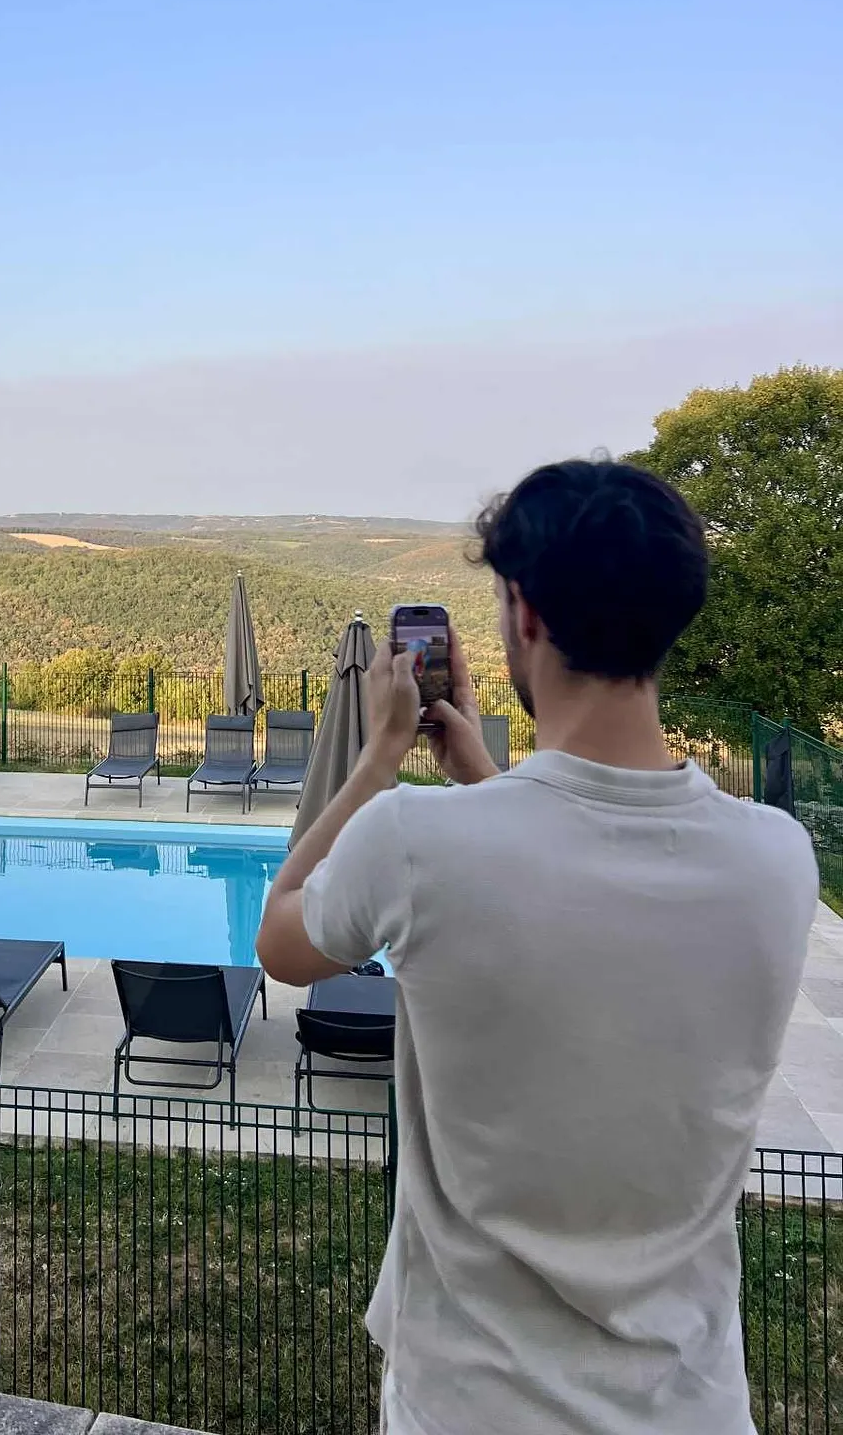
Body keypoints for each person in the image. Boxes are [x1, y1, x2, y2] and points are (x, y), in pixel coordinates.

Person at [256, 458, 818, 1435]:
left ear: (523, 616)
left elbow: (282, 937)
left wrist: (381, 758)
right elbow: (573, 879)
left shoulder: (417, 846)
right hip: (690, 1405)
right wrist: (483, 771)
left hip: (473, 1406)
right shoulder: (779, 863)